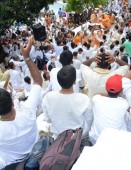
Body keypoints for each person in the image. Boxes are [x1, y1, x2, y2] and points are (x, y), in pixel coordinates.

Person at [0, 37, 43, 168]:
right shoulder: (27, 111)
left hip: (12, 165)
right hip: (37, 156)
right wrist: (27, 57)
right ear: (13, 103)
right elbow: (38, 81)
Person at [42, 65, 93, 139]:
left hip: (56, 139)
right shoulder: (84, 99)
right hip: (77, 139)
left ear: (58, 81)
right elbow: (89, 121)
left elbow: (48, 119)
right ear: (75, 81)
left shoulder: (48, 97)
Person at [89, 74, 129, 144]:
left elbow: (97, 94)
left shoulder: (96, 99)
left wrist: (110, 93)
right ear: (121, 90)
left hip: (96, 139)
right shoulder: (124, 103)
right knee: (126, 117)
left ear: (106, 88)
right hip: (116, 140)